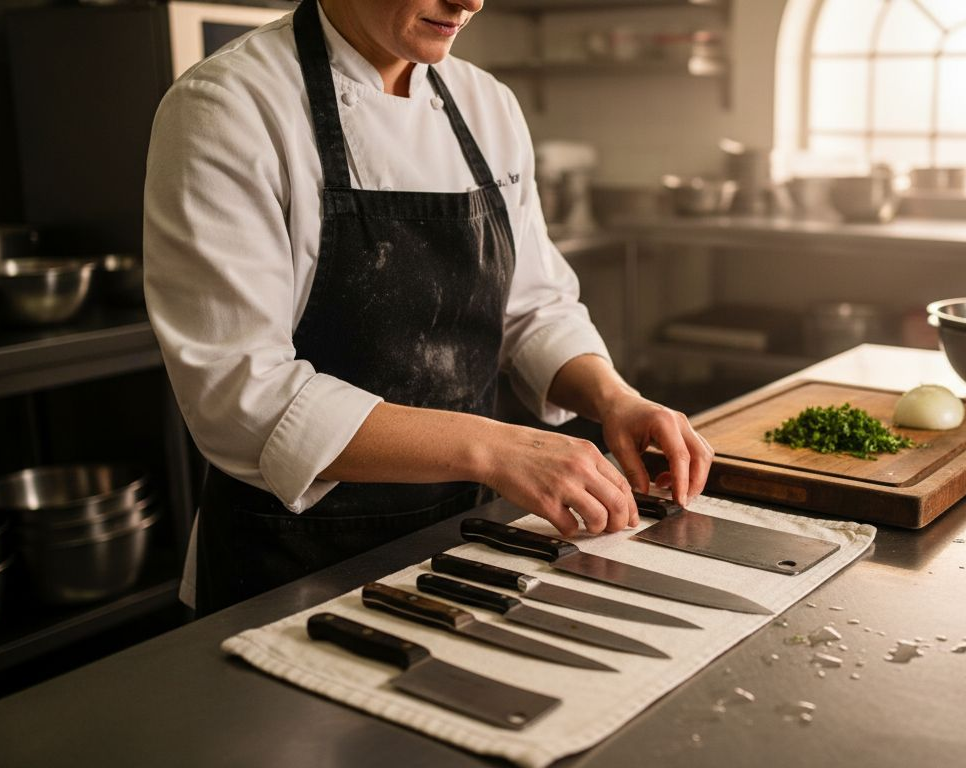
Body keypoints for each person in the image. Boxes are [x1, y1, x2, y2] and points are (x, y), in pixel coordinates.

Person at [143, 0, 713, 616]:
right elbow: (241, 396)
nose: (470, 2)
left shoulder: (486, 103)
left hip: (467, 541)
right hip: (296, 562)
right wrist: (495, 449)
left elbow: (533, 306)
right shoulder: (227, 107)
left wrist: (613, 399)